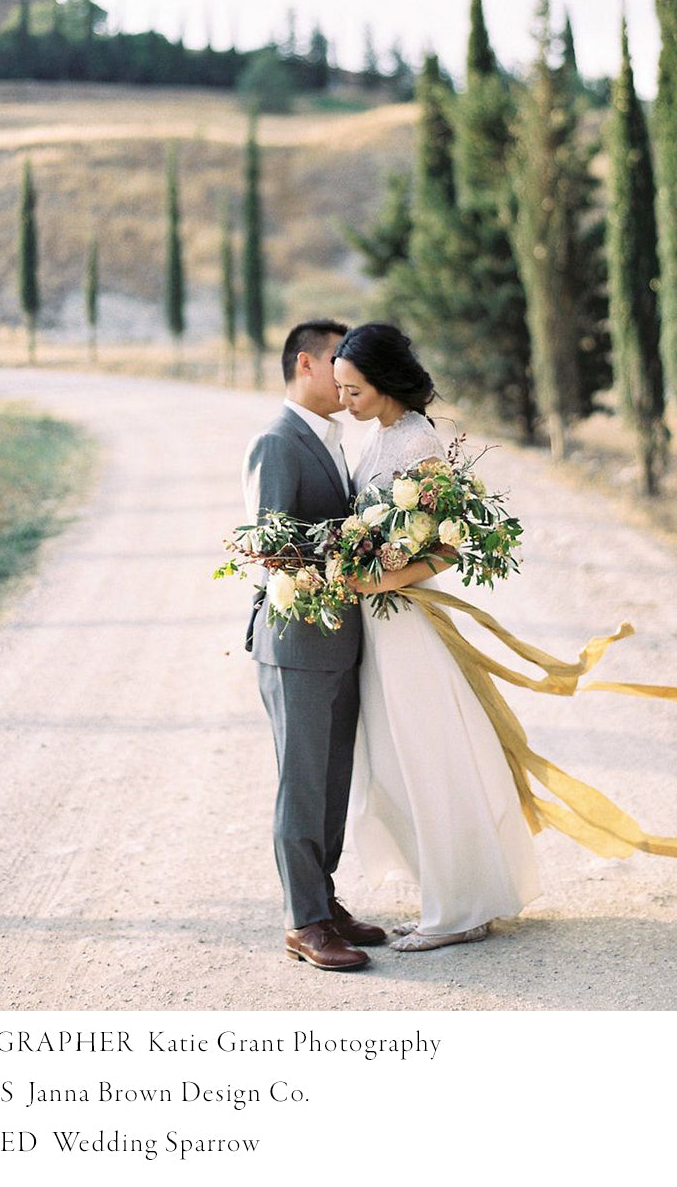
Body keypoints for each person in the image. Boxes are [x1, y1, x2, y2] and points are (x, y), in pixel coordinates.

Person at [332, 321, 542, 951]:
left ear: (385, 383)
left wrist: (382, 581)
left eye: (354, 392)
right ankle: (451, 895)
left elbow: (449, 546)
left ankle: (457, 911)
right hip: (379, 626)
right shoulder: (383, 436)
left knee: (428, 756)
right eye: (340, 390)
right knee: (398, 762)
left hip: (404, 625)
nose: (346, 403)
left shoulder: (418, 442)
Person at [242, 319, 386, 971]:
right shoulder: (277, 441)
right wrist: (354, 542)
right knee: (302, 786)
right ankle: (304, 922)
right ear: (306, 363)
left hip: (336, 640)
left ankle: (325, 903)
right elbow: (270, 546)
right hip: (296, 642)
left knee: (331, 783)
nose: (350, 377)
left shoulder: (329, 439)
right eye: (339, 362)